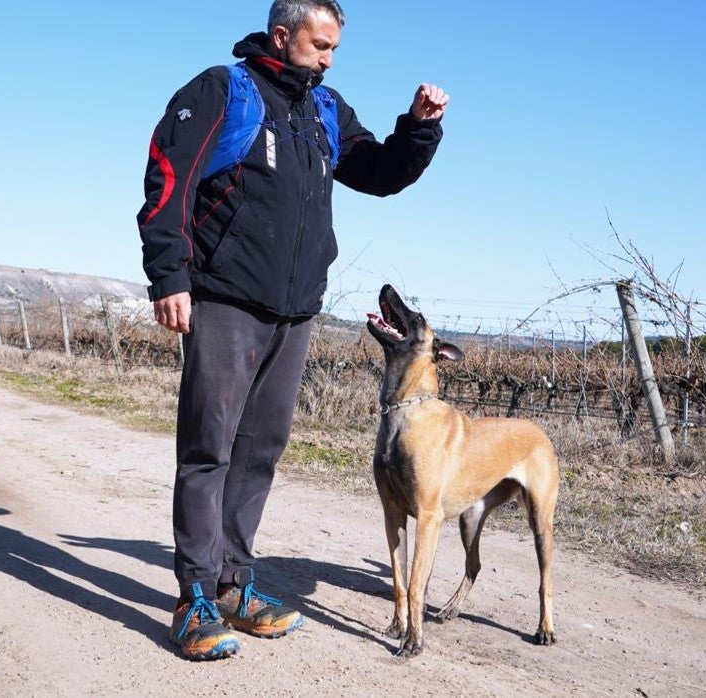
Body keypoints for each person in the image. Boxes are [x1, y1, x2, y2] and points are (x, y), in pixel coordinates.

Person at [136, 0, 448, 661]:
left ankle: (234, 584)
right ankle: (193, 598)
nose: (330, 58)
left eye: (336, 48)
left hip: (295, 309)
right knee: (208, 448)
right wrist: (170, 276)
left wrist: (418, 131)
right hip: (223, 299)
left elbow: (379, 173)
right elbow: (169, 175)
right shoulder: (225, 91)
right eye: (322, 44)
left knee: (259, 454)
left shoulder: (326, 111)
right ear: (283, 35)